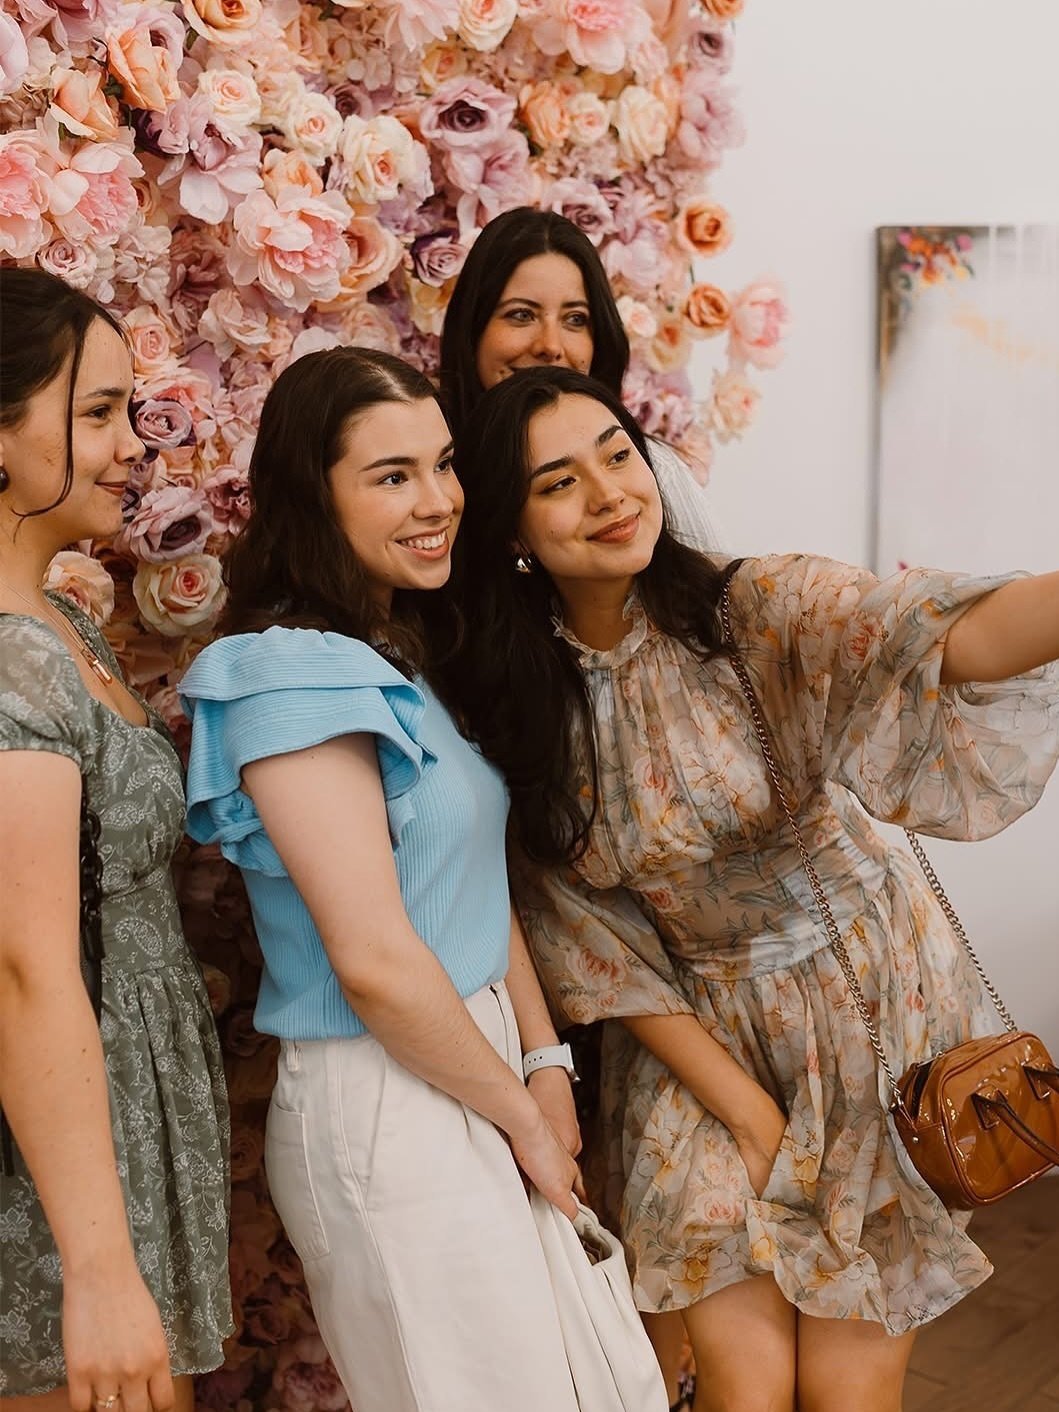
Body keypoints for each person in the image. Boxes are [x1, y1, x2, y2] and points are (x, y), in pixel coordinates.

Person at [442, 365, 1059, 1412]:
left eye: (617, 454)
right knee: (744, 1382)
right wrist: (755, 1118)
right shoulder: (514, 702)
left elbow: (943, 632)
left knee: (849, 1386)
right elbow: (595, 942)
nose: (609, 493)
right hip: (692, 1033)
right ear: (510, 524)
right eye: (559, 481)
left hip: (864, 1002)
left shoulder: (755, 606)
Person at [178, 347, 587, 1412]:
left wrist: (542, 1058)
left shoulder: (392, 649)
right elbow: (372, 958)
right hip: (388, 1093)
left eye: (443, 465)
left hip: (475, 1057)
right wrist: (524, 1114)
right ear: (314, 495)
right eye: (392, 474)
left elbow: (470, 886)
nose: (439, 500)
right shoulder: (288, 669)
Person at [0, 268, 232, 1412]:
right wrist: (94, 1266)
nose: (128, 444)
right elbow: (23, 963)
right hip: (52, 1167)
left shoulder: (63, 618)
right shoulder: (6, 654)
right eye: (93, 413)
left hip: (122, 1119)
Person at [439, 206, 717, 557]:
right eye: (521, 315)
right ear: (472, 331)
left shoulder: (650, 470)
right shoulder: (435, 483)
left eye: (575, 319)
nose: (551, 347)